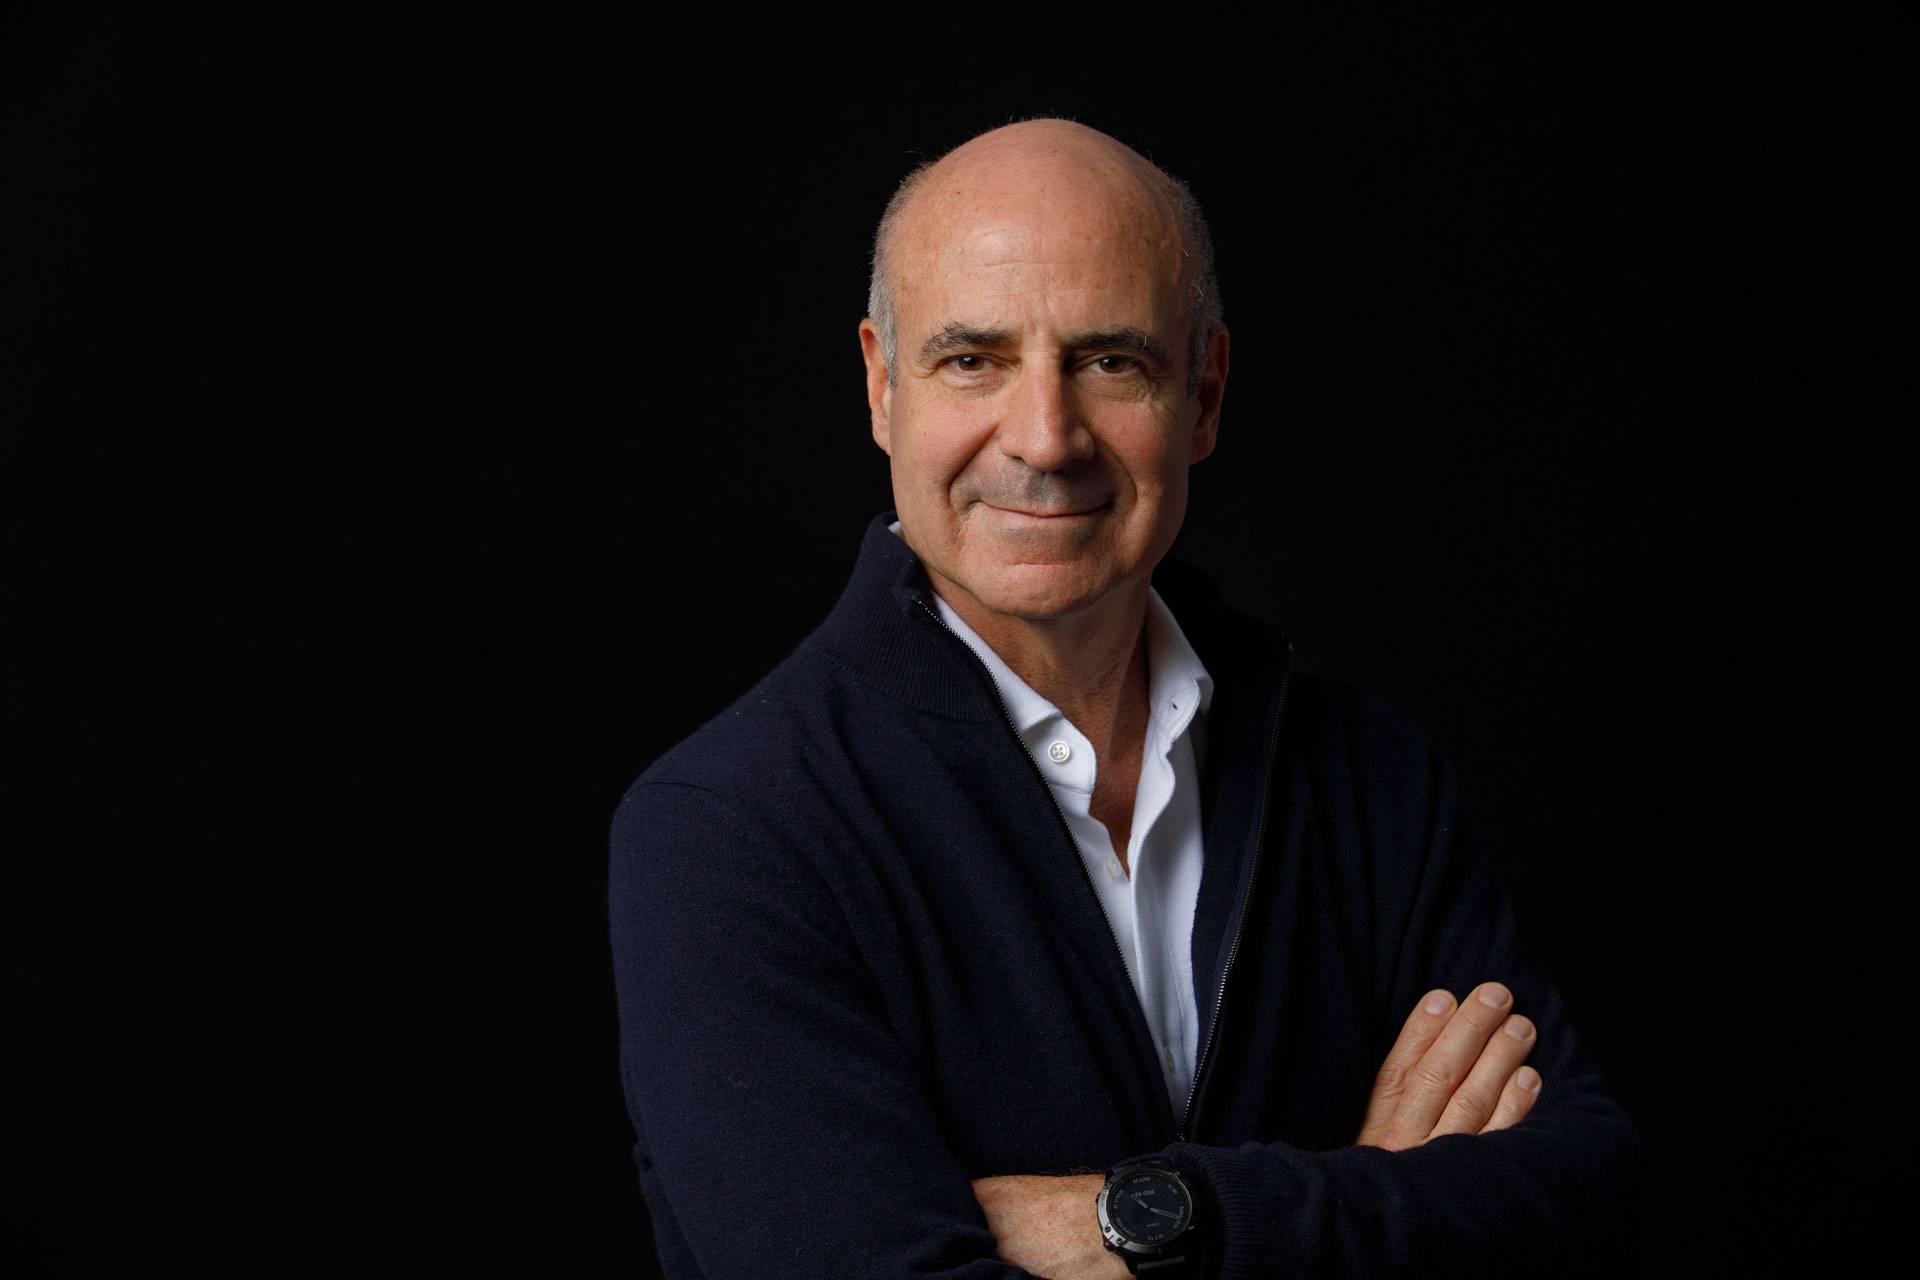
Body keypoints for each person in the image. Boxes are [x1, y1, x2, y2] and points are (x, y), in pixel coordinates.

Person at [608, 118, 1647, 1278]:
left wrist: (1152, 1217)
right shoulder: (730, 832)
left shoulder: (1368, 776)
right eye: (973, 360)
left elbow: (1592, 1198)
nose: (1046, 438)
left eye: (1111, 360)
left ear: (1203, 393)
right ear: (881, 385)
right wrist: (1373, 1196)